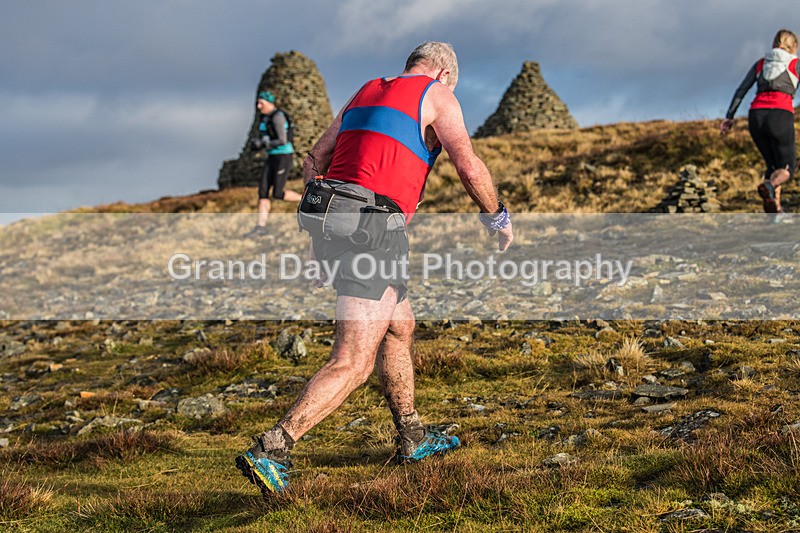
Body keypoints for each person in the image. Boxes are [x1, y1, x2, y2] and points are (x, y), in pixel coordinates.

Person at [235, 41, 513, 497]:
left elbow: (314, 160)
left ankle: (412, 436)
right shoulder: (437, 94)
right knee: (353, 359)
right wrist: (496, 215)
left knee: (400, 327)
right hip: (374, 231)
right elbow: (467, 164)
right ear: (443, 73)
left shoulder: (366, 89)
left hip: (338, 223)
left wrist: (321, 238)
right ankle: (274, 447)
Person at [721, 29, 799, 214]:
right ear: (793, 46)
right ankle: (769, 186)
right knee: (787, 168)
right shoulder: (795, 64)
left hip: (756, 117)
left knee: (772, 165)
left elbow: (741, 90)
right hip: (780, 115)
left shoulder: (760, 64)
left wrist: (729, 117)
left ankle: (775, 209)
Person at [243, 91, 302, 237]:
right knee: (262, 192)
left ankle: (308, 200)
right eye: (258, 103)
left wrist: (264, 143)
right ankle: (260, 227)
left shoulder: (277, 117)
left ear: (270, 103)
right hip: (271, 156)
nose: (258, 106)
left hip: (283, 156)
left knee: (278, 193)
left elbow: (282, 140)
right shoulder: (264, 118)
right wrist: (259, 144)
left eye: (261, 103)